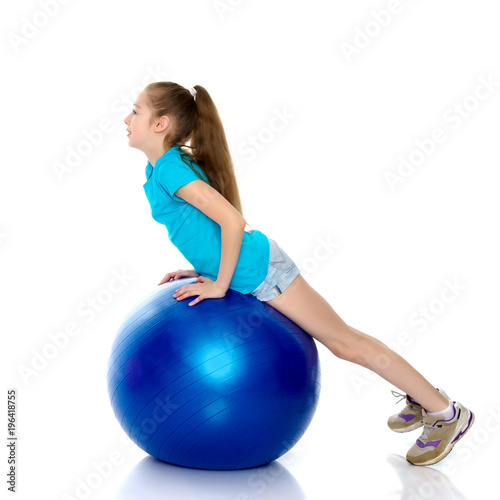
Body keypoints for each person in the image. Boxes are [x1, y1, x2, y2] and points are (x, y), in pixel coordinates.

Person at [123, 81, 474, 466]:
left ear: (162, 124)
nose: (127, 119)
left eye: (136, 111)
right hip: (248, 270)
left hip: (261, 272)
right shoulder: (160, 168)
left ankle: (445, 413)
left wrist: (220, 284)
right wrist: (200, 269)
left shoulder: (171, 168)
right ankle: (425, 399)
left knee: (344, 343)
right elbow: (204, 227)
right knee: (345, 342)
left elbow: (232, 221)